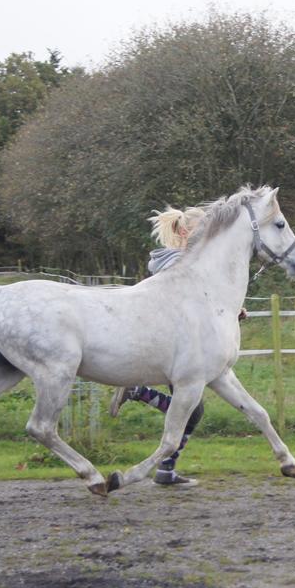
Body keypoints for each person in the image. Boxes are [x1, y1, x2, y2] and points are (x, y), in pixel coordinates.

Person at [108, 206, 208, 487]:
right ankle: (165, 469)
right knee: (191, 409)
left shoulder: (181, 261)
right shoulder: (177, 262)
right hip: (170, 347)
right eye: (203, 230)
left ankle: (166, 469)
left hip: (180, 345)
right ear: (186, 231)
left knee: (190, 409)